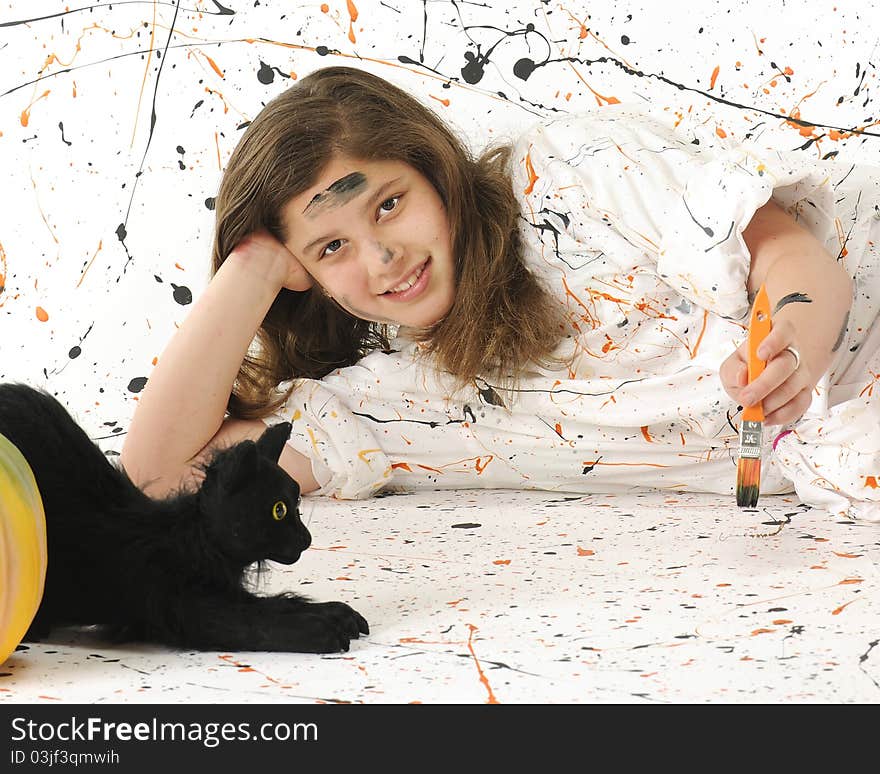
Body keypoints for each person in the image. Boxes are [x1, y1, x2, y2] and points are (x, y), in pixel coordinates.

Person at [120, 66, 880, 521]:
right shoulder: (389, 404)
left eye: (388, 204)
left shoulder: (569, 183)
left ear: (435, 172)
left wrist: (792, 344)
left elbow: (788, 250)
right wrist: (250, 267)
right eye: (332, 247)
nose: (383, 257)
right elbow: (158, 475)